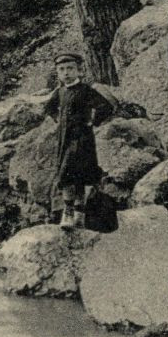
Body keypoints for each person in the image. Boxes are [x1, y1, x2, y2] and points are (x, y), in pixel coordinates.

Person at [44, 50, 113, 229]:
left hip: (83, 140)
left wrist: (93, 121)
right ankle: (67, 212)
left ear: (79, 71)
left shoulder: (85, 90)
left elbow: (105, 106)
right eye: (62, 69)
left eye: (70, 68)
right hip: (65, 140)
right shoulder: (59, 92)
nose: (66, 73)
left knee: (81, 176)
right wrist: (58, 119)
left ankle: (79, 214)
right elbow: (49, 108)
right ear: (57, 73)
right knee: (66, 174)